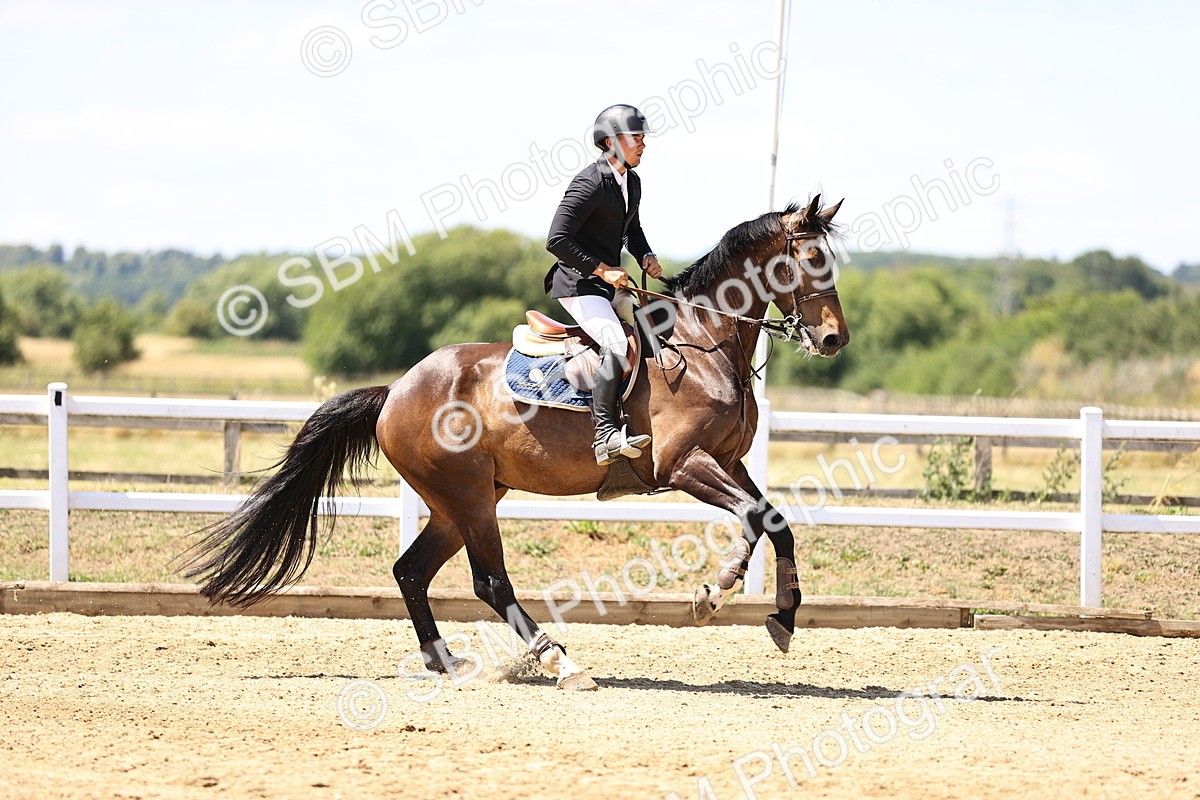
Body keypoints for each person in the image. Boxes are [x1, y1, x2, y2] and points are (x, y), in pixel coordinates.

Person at [545, 104, 664, 466]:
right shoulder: (590, 182)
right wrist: (601, 269)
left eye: (644, 138)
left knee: (657, 326)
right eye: (636, 138)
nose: (643, 145)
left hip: (609, 286)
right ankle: (604, 437)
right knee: (614, 341)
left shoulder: (632, 181)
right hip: (578, 286)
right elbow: (557, 239)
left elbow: (632, 230)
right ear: (611, 142)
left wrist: (645, 254)